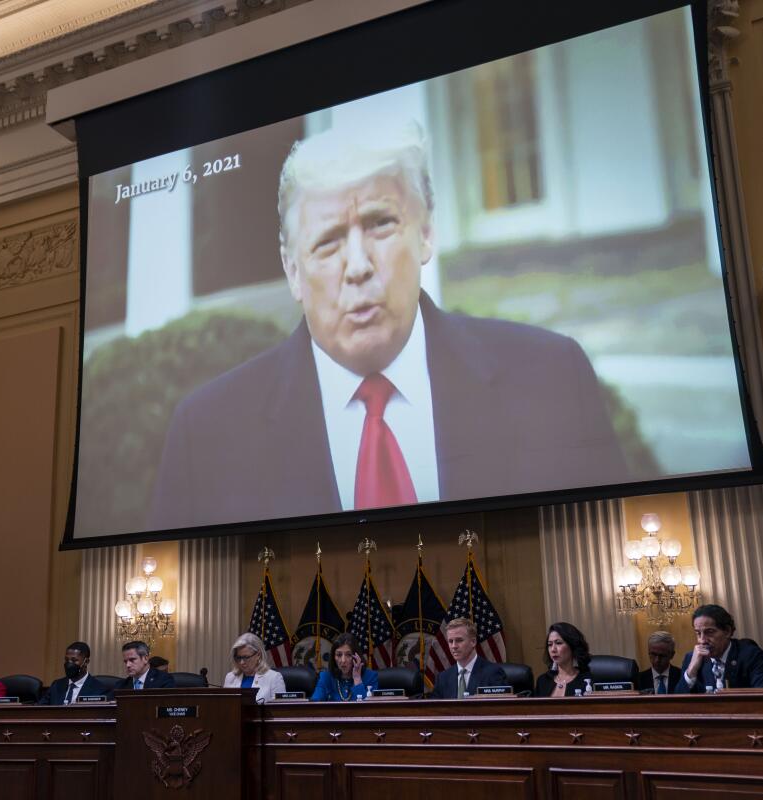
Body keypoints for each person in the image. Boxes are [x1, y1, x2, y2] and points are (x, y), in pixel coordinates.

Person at [148, 121, 627, 531]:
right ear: (293, 270)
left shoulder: (551, 376)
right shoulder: (206, 433)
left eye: (380, 224)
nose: (358, 265)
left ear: (425, 234)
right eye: (329, 242)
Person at [674, 604, 763, 692]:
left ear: (727, 631)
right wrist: (691, 670)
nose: (702, 640)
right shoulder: (691, 658)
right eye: (698, 633)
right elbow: (677, 703)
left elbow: (762, 697)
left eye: (710, 632)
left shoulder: (750, 655)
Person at [429, 618, 508, 699]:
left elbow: (500, 708)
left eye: (459, 640)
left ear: (473, 642)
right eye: (450, 641)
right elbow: (433, 709)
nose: (454, 646)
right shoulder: (443, 678)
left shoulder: (493, 673)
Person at [311, 633, 379, 701]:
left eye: (348, 655)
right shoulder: (326, 677)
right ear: (333, 657)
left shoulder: (371, 677)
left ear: (356, 656)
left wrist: (357, 679)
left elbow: (368, 709)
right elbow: (314, 706)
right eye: (339, 655)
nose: (343, 660)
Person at [222, 632, 286, 703]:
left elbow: (279, 711)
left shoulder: (274, 678)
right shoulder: (230, 677)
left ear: (258, 655)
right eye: (239, 657)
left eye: (246, 657)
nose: (242, 662)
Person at [534, 622, 593, 697]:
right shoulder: (543, 681)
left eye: (558, 643)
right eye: (550, 644)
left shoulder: (588, 680)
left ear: (572, 646)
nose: (553, 649)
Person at [39, 641, 108, 705]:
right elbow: (40, 710)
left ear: (86, 662)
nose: (69, 664)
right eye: (66, 660)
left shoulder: (100, 690)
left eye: (74, 660)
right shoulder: (56, 685)